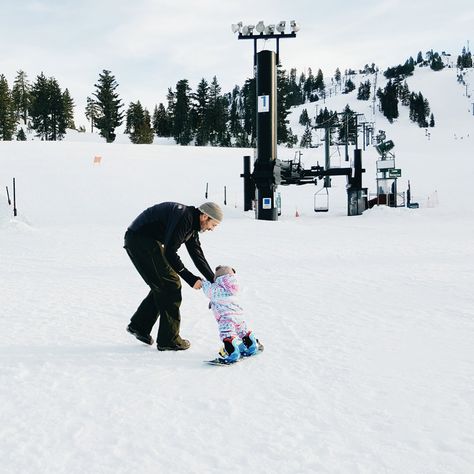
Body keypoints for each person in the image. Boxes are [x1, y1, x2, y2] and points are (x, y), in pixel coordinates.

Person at [124, 201, 223, 351]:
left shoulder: (192, 224)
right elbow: (170, 252)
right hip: (140, 240)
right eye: (213, 225)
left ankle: (140, 326)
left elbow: (197, 255)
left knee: (163, 283)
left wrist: (213, 279)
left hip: (146, 240)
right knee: (170, 284)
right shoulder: (185, 219)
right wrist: (190, 279)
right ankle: (168, 340)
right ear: (204, 216)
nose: (212, 229)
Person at [202, 265, 259, 363]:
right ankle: (251, 345)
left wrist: (204, 283)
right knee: (242, 331)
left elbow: (209, 291)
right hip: (239, 315)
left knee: (227, 334)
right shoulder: (233, 287)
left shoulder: (217, 289)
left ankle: (232, 352)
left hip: (226, 317)